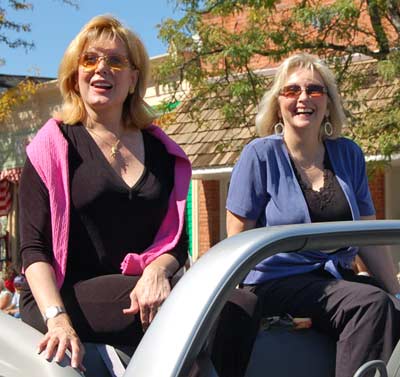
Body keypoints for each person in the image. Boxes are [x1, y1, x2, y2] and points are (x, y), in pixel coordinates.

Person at [19, 14, 258, 377]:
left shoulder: (161, 151)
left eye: (116, 61)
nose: (102, 69)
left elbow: (176, 245)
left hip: (144, 290)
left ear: (133, 79)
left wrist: (156, 273)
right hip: (65, 294)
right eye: (90, 59)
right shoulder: (54, 144)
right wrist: (57, 320)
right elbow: (32, 250)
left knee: (242, 304)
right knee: (182, 318)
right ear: (74, 74)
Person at [226, 53, 400, 377]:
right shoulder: (259, 155)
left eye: (314, 90)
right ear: (278, 103)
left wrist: (395, 291)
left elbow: (368, 236)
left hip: (333, 279)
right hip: (274, 283)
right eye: (292, 91)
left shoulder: (348, 153)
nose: (303, 98)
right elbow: (235, 241)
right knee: (369, 304)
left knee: (385, 303)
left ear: (328, 102)